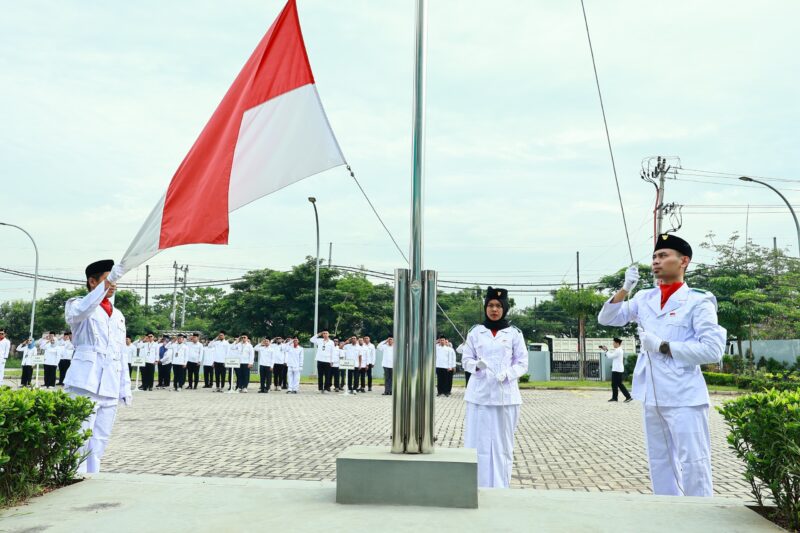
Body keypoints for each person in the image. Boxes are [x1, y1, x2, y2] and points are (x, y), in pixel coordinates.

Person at [597, 234, 726, 497]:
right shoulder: (645, 297)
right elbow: (607, 318)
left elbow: (713, 350)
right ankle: (669, 515)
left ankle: (701, 518)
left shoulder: (698, 300)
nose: (656, 261)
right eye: (655, 256)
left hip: (684, 395)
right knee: (660, 461)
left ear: (684, 261)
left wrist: (664, 346)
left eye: (664, 255)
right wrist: (625, 289)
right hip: (653, 393)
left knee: (694, 462)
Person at [64, 259, 131, 473]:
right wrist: (104, 287)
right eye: (108, 280)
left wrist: (124, 387)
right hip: (85, 381)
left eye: (114, 281)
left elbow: (120, 353)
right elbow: (82, 310)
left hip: (110, 383)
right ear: (93, 282)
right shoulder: (77, 304)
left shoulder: (118, 315)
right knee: (80, 435)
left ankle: (93, 475)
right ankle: (74, 474)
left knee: (101, 437)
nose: (113, 285)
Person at [462, 286, 528, 488]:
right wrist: (476, 367)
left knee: (502, 446)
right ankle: (476, 486)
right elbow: (466, 360)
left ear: (504, 308)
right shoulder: (476, 332)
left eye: (498, 306)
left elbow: (522, 363)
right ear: (485, 308)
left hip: (505, 397)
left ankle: (501, 487)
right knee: (477, 444)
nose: (494, 309)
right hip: (479, 396)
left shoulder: (514, 333)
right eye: (490, 305)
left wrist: (508, 374)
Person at [601, 337, 631, 403]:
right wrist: (607, 350)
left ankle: (628, 397)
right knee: (615, 384)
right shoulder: (618, 350)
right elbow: (611, 355)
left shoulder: (618, 350)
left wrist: (606, 350)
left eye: (614, 343)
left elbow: (610, 356)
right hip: (617, 369)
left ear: (617, 343)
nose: (613, 344)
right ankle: (615, 398)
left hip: (617, 370)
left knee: (618, 384)